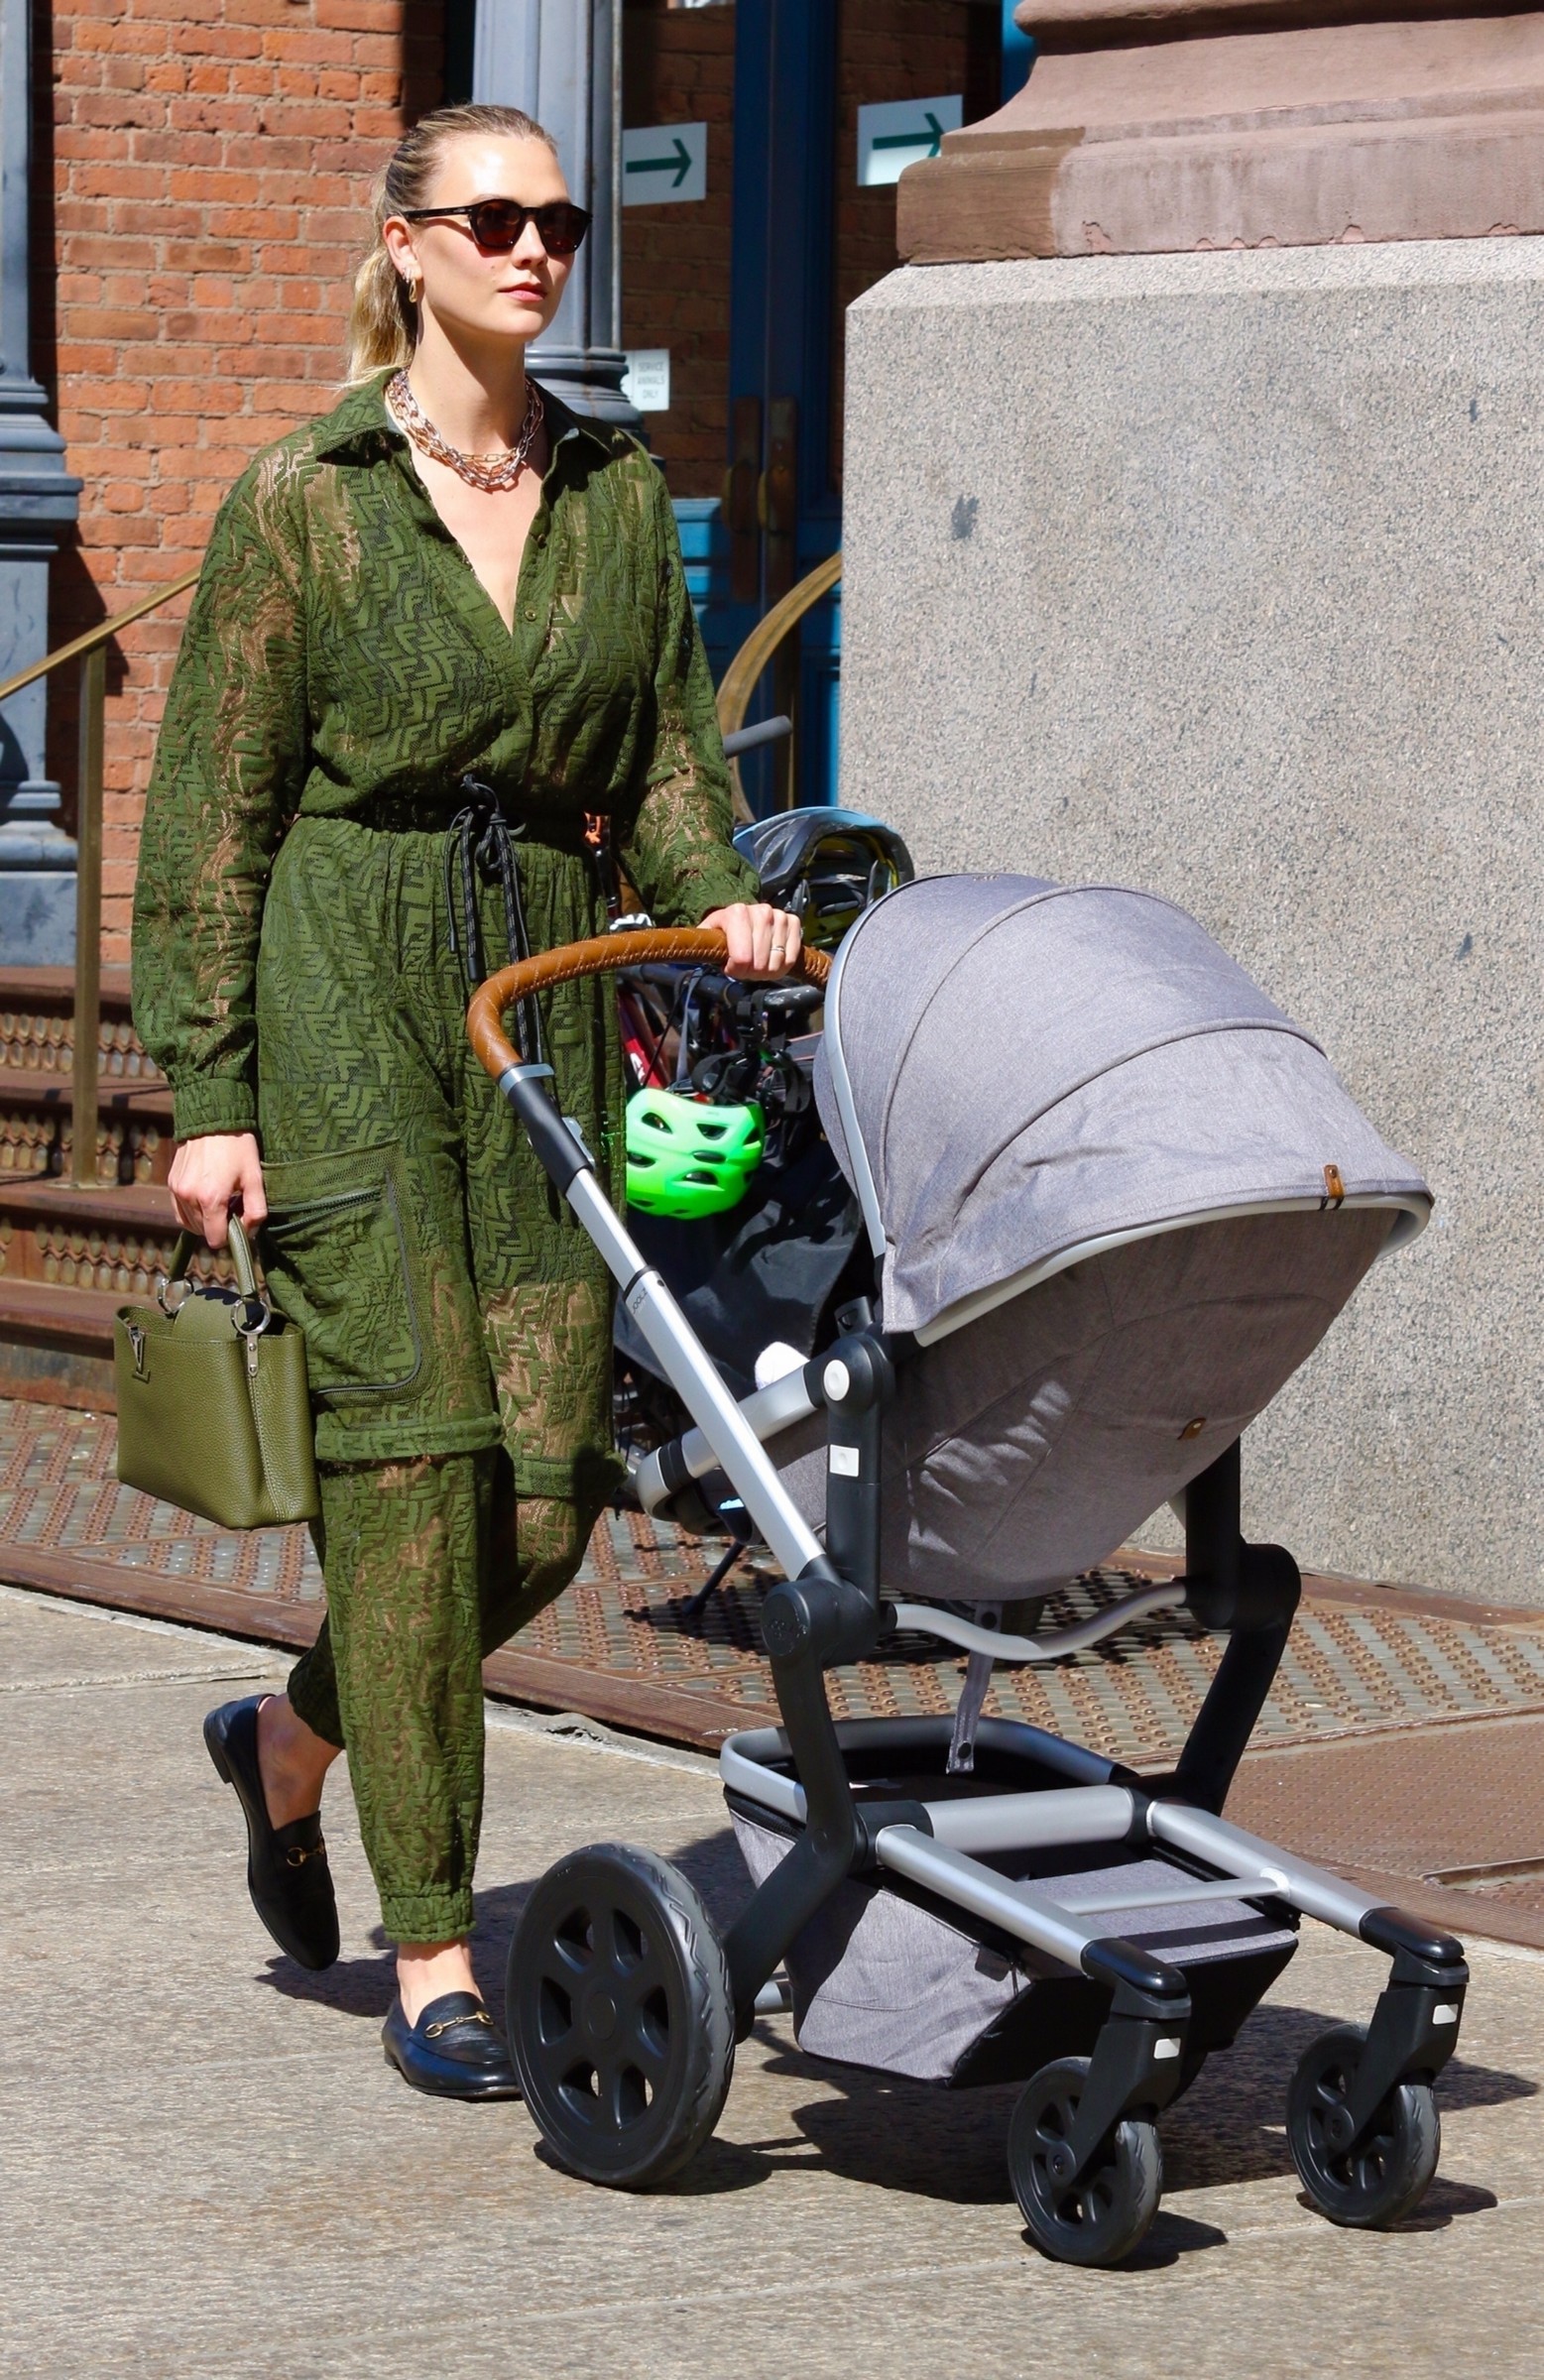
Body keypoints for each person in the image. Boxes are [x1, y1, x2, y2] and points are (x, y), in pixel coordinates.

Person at [132, 102, 801, 2099]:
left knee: (548, 1486)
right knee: (412, 1474)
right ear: (406, 244)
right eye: (492, 219)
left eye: (559, 222)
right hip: (348, 992)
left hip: (540, 1010)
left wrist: (718, 900)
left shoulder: (613, 490)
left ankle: (289, 1740)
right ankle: (432, 1945)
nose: (534, 251)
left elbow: (664, 753)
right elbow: (215, 806)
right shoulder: (307, 497)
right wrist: (211, 1089)